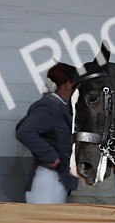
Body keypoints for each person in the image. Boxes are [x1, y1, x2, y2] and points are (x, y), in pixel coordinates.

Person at [16, 62, 79, 204]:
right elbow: (24, 131)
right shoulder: (49, 106)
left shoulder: (57, 107)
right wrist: (51, 156)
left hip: (55, 180)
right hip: (48, 181)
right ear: (68, 84)